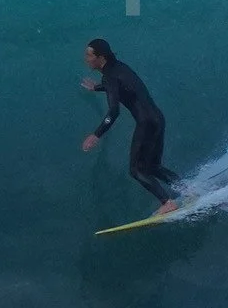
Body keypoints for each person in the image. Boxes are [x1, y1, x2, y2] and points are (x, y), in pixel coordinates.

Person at [79, 37, 184, 216]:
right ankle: (188, 189)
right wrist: (97, 88)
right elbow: (120, 85)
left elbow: (114, 112)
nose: (86, 59)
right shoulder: (119, 67)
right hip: (157, 119)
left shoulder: (109, 76)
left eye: (89, 56)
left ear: (100, 57)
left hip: (146, 123)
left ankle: (167, 202)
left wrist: (96, 134)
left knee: (136, 170)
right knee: (153, 166)